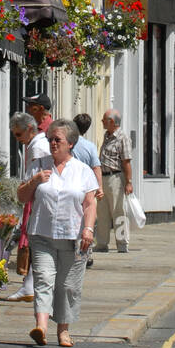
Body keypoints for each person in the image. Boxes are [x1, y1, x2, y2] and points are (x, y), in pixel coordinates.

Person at [18, 118, 97, 347]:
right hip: (41, 233)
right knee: (43, 279)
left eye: (57, 140)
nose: (52, 143)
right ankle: (41, 327)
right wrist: (34, 181)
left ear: (70, 143)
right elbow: (22, 197)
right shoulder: (38, 165)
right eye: (50, 139)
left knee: (68, 286)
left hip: (74, 237)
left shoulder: (83, 171)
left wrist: (88, 229)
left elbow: (90, 204)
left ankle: (63, 330)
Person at [2, 112, 52, 302]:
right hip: (39, 197)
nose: (18, 140)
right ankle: (30, 284)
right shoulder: (38, 144)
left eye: (18, 135)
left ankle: (30, 285)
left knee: (36, 242)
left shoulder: (37, 147)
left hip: (38, 198)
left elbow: (33, 175)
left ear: (29, 129)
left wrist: (27, 188)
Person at [96, 109, 133, 253]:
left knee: (118, 211)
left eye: (104, 120)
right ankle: (102, 243)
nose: (102, 122)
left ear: (112, 121)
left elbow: (126, 162)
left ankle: (122, 243)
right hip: (103, 177)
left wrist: (129, 182)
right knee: (102, 211)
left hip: (116, 177)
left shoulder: (122, 138)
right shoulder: (107, 136)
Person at [72, 112, 103, 267]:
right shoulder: (89, 146)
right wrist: (99, 187)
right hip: (87, 188)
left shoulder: (68, 143)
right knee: (89, 219)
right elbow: (96, 167)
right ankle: (87, 252)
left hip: (71, 186)